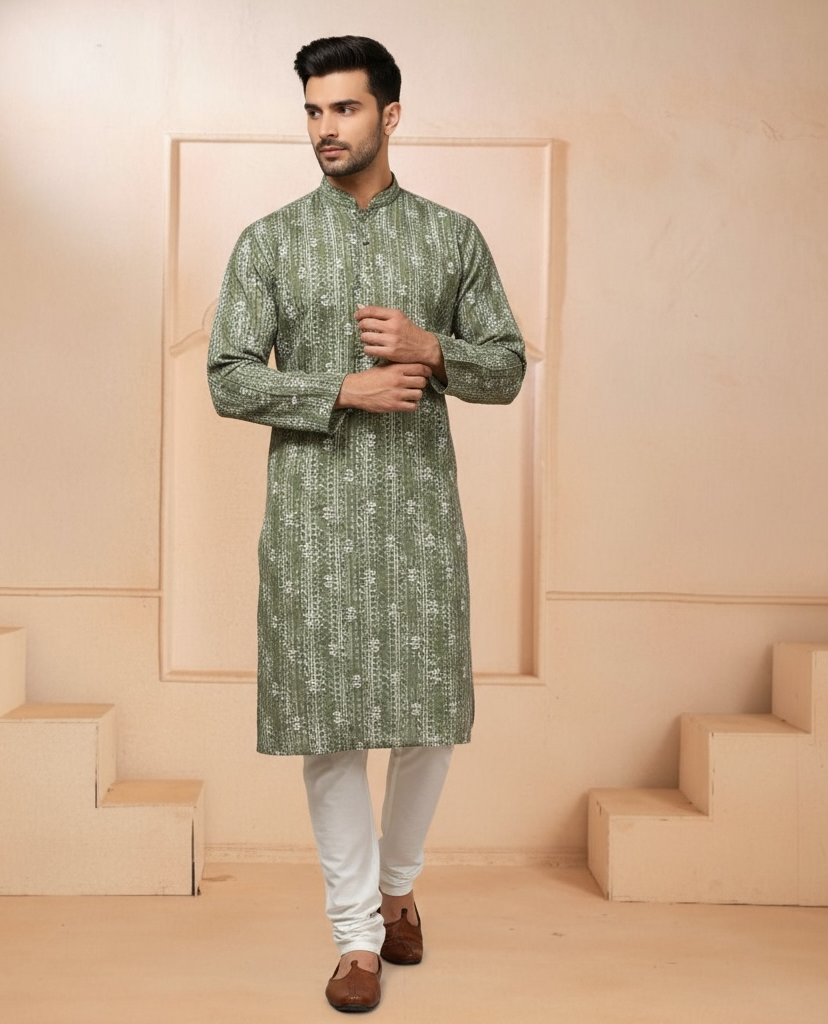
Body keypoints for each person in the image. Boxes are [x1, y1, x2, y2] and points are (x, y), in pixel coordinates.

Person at [207, 35, 525, 1013]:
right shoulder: (268, 241)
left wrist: (433, 348)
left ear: (389, 115)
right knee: (329, 726)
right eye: (313, 110)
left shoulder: (451, 237)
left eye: (343, 109)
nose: (324, 128)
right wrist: (342, 387)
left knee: (428, 720)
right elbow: (227, 377)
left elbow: (508, 368)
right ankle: (355, 938)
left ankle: (397, 890)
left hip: (418, 516)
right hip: (313, 521)